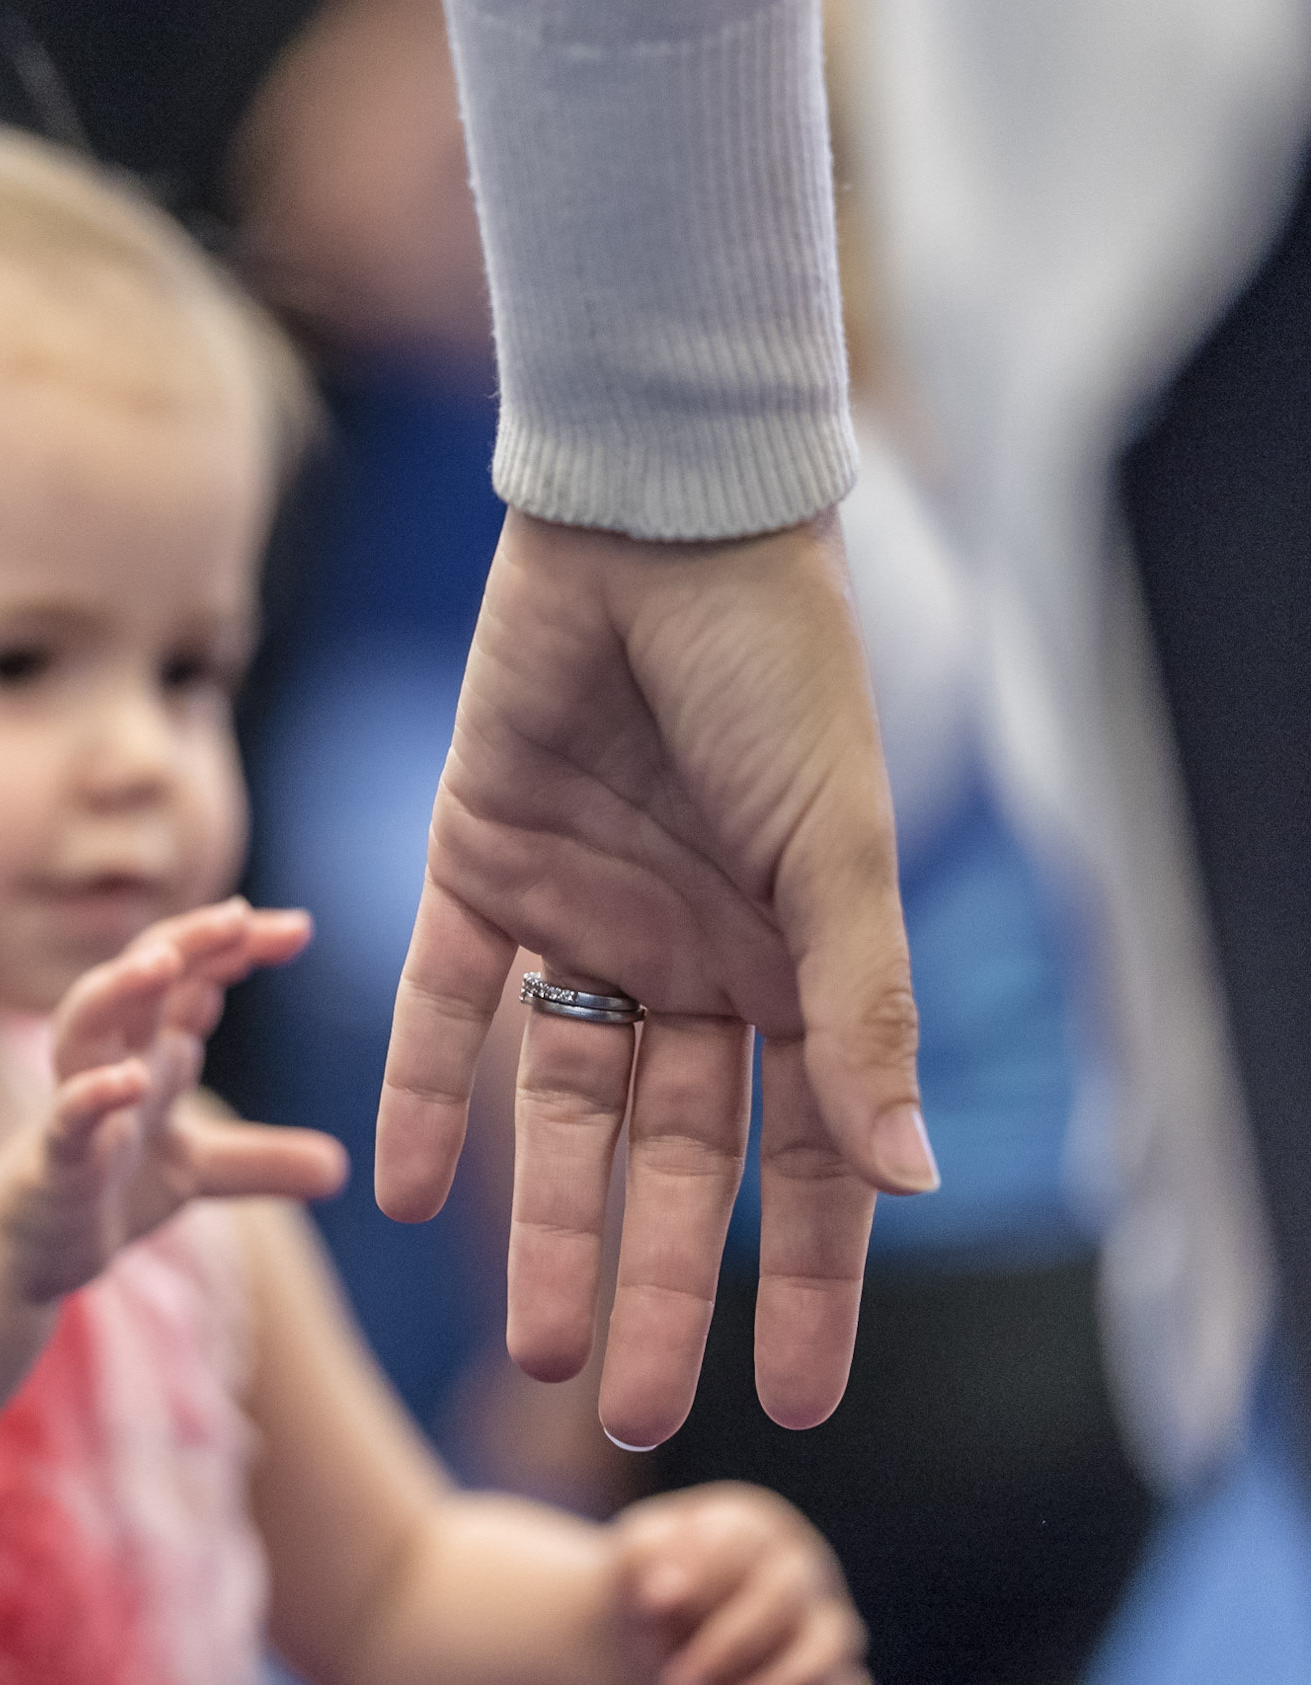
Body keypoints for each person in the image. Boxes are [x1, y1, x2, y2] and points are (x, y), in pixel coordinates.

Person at [0, 7, 872, 1681]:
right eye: (16, 664)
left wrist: (625, 1613)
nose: (140, 755)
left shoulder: (162, 1169)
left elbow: (390, 1589)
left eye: (190, 670)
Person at [374, 0, 931, 1453]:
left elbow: (562, 988)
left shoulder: (901, 569)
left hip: (899, 1287)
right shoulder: (917, 537)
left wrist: (538, 1423)